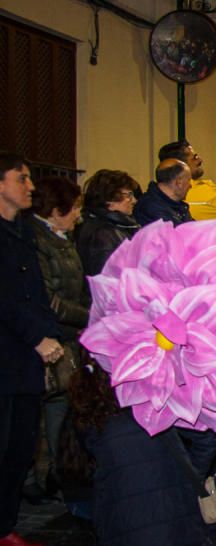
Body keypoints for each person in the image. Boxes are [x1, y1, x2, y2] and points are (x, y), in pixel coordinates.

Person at [70, 361, 216, 546]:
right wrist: (188, 480)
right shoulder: (155, 400)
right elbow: (207, 439)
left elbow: (78, 469)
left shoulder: (88, 413)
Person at [0, 152, 64, 546]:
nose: (31, 186)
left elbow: (36, 292)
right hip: (7, 353)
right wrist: (36, 336)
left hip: (25, 358)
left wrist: (49, 334)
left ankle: (5, 524)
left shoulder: (23, 231)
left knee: (20, 446)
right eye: (21, 179)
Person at [28, 176, 89, 502]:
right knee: (44, 413)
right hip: (48, 340)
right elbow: (48, 298)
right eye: (74, 207)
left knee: (61, 409)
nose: (78, 213)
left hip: (67, 339)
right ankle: (40, 479)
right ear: (56, 209)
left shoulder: (63, 239)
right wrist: (88, 315)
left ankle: (57, 474)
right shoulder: (38, 241)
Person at [76, 169, 141, 276]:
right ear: (109, 199)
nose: (134, 200)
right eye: (128, 195)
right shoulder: (101, 234)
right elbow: (107, 279)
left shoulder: (118, 225)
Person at [133, 159, 192, 226]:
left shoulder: (179, 206)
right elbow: (180, 234)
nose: (190, 185)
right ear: (179, 182)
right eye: (188, 180)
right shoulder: (150, 207)